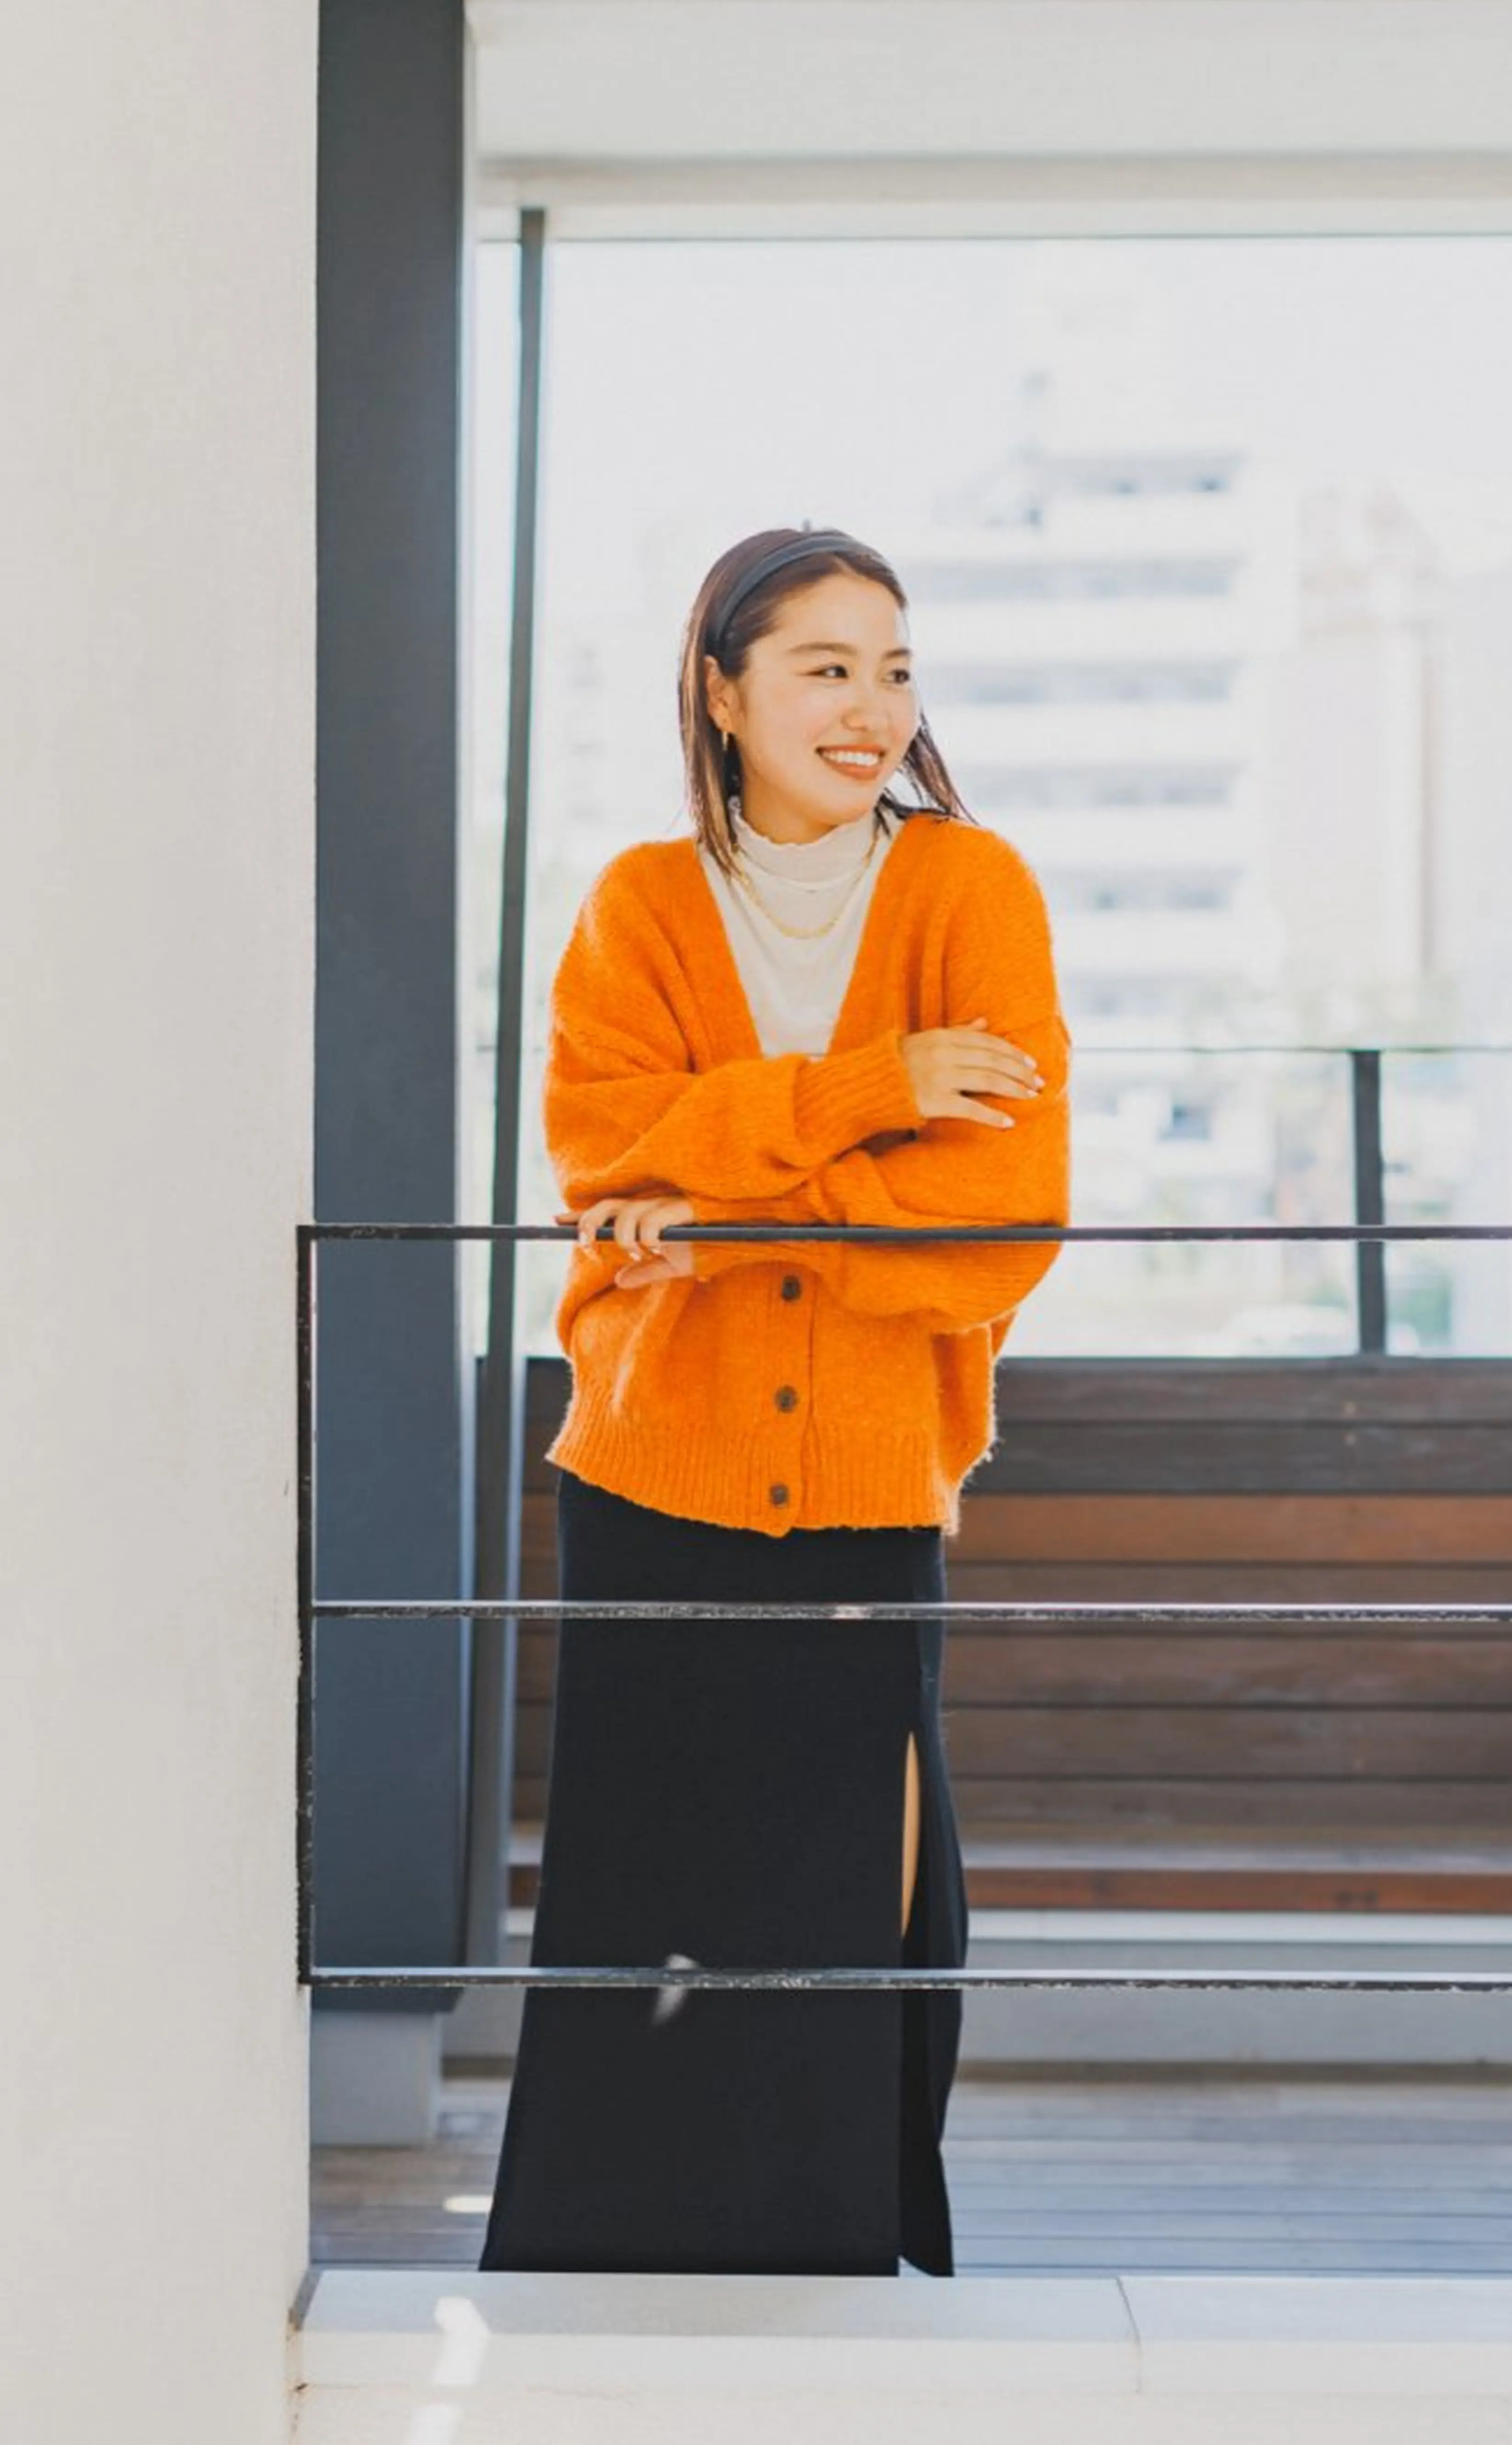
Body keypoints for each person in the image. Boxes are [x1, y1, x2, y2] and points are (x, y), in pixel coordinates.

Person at [478, 524, 1070, 2277]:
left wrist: (721, 1214)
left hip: (878, 1466)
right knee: (645, 1887)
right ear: (722, 692)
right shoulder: (644, 903)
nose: (871, 705)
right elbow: (602, 1147)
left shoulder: (974, 890)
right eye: (824, 667)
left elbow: (1003, 1218)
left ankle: (840, 2246)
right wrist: (874, 1089)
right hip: (656, 1460)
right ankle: (605, 2259)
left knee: (851, 1886)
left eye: (894, 667)